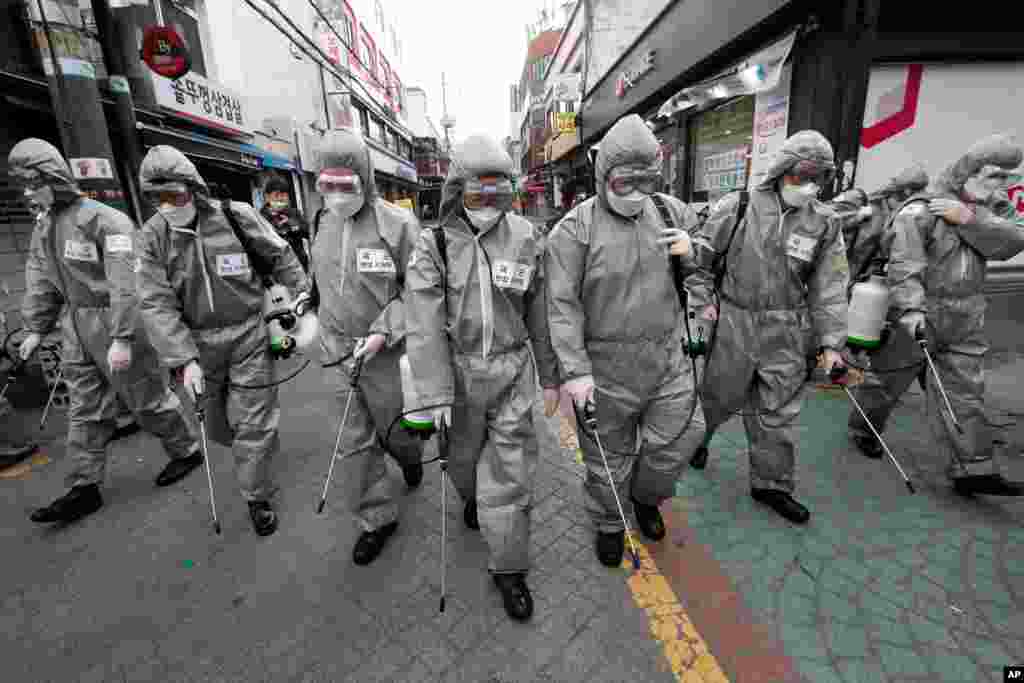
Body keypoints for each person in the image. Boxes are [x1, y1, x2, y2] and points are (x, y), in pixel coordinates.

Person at [405, 134, 559, 622]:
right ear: (457, 191)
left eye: (497, 195)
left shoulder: (527, 236)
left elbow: (541, 311)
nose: (487, 205)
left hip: (513, 372)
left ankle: (508, 567)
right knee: (462, 464)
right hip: (457, 376)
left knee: (511, 475)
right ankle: (473, 498)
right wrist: (433, 389)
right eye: (477, 195)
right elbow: (423, 319)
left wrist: (552, 377)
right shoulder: (434, 244)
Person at [8, 138, 201, 525]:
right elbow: (42, 279)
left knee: (146, 397)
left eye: (35, 182)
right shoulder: (45, 226)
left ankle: (186, 450)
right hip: (76, 326)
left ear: (53, 176)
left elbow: (125, 283)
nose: (30, 192)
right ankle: (84, 486)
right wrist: (34, 327)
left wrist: (122, 336)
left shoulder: (105, 221)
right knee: (84, 408)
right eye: (23, 185)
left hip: (115, 320)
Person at [546, 113, 706, 567]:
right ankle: (610, 520)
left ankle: (646, 497)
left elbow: (702, 279)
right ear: (603, 178)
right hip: (604, 367)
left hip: (668, 359)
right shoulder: (575, 230)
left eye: (646, 181)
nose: (636, 194)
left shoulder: (671, 213)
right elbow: (560, 305)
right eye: (624, 183)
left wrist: (694, 256)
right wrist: (573, 373)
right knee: (605, 456)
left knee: (681, 436)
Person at [135, 145, 310, 536]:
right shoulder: (151, 238)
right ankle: (255, 449)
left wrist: (302, 294)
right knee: (216, 427)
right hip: (197, 344)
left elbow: (279, 253)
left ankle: (256, 494)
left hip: (249, 331)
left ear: (193, 187)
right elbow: (155, 301)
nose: (170, 204)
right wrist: (183, 359)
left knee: (254, 420)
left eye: (176, 195)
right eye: (158, 197)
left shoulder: (235, 216)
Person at [685, 131, 849, 525]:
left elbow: (830, 285)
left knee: (778, 411)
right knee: (718, 395)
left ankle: (772, 484)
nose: (810, 185)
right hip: (735, 321)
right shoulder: (739, 207)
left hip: (788, 328)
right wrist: (703, 302)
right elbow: (700, 260)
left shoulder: (824, 223)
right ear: (782, 170)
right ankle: (696, 440)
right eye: (803, 174)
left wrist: (831, 343)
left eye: (820, 177)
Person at [853, 133, 1024, 497]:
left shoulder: (992, 209)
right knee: (887, 381)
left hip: (966, 314)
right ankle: (864, 428)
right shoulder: (922, 209)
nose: (1000, 185)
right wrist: (911, 308)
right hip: (920, 312)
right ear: (969, 170)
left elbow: (1013, 242)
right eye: (993, 175)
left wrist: (970, 220)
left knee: (964, 392)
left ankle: (972, 468)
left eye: (1006, 178)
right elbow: (905, 264)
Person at [308, 129, 425, 565]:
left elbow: (419, 292)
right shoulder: (321, 221)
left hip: (387, 352)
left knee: (398, 431)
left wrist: (384, 331)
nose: (336, 195)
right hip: (337, 350)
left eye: (346, 185)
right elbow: (322, 274)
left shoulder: (399, 226)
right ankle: (377, 516)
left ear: (365, 178)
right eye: (327, 185)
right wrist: (310, 296)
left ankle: (409, 457)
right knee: (355, 440)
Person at [830, 165, 930, 292]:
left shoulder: (899, 219)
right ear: (907, 192)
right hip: (832, 280)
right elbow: (821, 221)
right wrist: (856, 217)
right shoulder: (859, 199)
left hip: (859, 288)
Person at [260, 175, 311, 272]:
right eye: (277, 195)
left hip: (300, 266)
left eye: (284, 195)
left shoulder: (294, 213)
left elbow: (310, 233)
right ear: (267, 197)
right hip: (277, 270)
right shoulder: (261, 218)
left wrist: (294, 225)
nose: (281, 199)